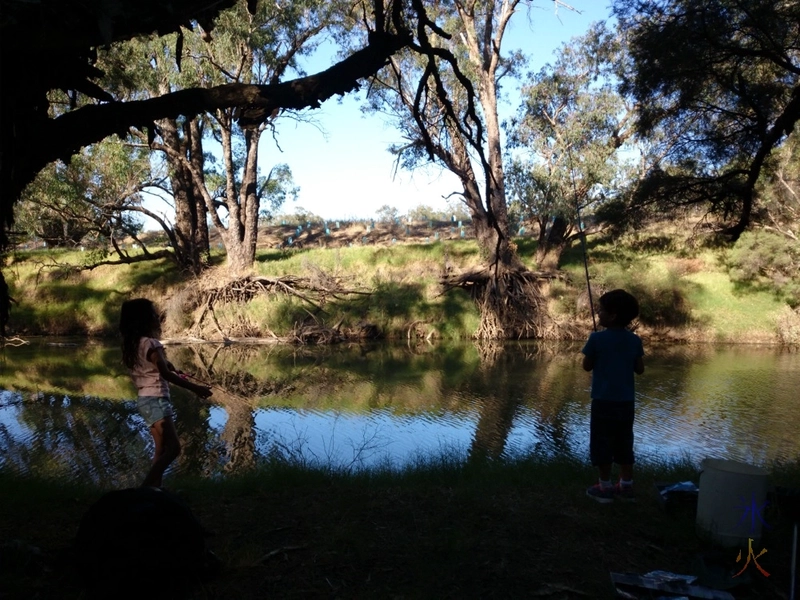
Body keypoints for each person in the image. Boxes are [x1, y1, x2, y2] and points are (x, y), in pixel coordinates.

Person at [120, 298, 212, 488]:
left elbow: (157, 368)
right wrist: (196, 388)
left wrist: (169, 367)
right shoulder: (152, 343)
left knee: (160, 450)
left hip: (144, 400)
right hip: (156, 400)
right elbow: (165, 374)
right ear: (144, 319)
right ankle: (144, 490)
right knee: (174, 449)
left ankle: (155, 491)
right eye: (153, 314)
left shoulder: (133, 344)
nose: (156, 316)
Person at [581, 289, 644, 503]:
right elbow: (640, 369)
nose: (598, 314)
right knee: (624, 442)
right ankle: (626, 486)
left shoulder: (596, 338)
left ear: (613, 315)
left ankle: (605, 487)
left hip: (603, 402)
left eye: (601, 310)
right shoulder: (635, 341)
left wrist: (597, 352)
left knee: (602, 443)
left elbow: (586, 366)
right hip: (626, 403)